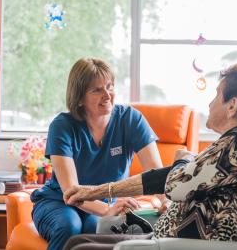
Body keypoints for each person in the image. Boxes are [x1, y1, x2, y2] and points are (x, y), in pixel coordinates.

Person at [62, 63, 237, 250]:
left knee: (80, 248)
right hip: (173, 239)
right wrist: (185, 163)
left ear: (232, 105)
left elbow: (174, 183)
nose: (210, 104)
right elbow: (183, 180)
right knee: (76, 243)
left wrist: (183, 160)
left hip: (183, 245)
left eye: (216, 95)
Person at [30, 58, 165, 250]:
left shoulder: (131, 119)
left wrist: (167, 203)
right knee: (70, 227)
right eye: (97, 90)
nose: (107, 95)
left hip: (104, 201)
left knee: (97, 227)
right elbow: (71, 191)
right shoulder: (62, 126)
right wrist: (106, 210)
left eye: (109, 86)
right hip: (58, 202)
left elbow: (157, 175)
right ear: (79, 98)